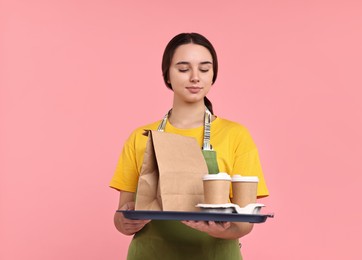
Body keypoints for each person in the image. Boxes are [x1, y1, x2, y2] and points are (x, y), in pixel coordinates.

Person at [109, 32, 269, 259]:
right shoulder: (141, 137)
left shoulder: (236, 135)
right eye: (183, 69)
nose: (195, 77)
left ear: (213, 75)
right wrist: (126, 221)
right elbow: (122, 214)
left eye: (204, 69)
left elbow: (245, 222)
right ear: (167, 76)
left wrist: (224, 229)